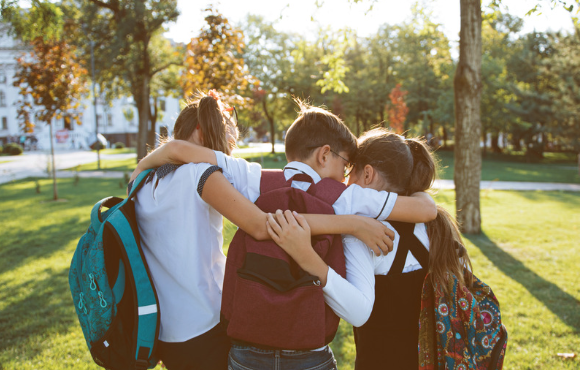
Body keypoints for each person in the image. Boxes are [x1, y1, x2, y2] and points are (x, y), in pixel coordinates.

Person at [133, 103, 437, 370]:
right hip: (304, 345)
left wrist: (144, 164)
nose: (345, 176)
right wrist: (353, 224)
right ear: (325, 154)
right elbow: (425, 210)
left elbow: (177, 150)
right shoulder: (348, 198)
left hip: (236, 342)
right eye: (345, 165)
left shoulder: (253, 179)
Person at [266, 128, 473, 369]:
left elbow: (357, 311)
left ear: (367, 174)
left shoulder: (364, 234)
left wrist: (306, 257)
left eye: (349, 171)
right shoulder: (434, 227)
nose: (344, 182)